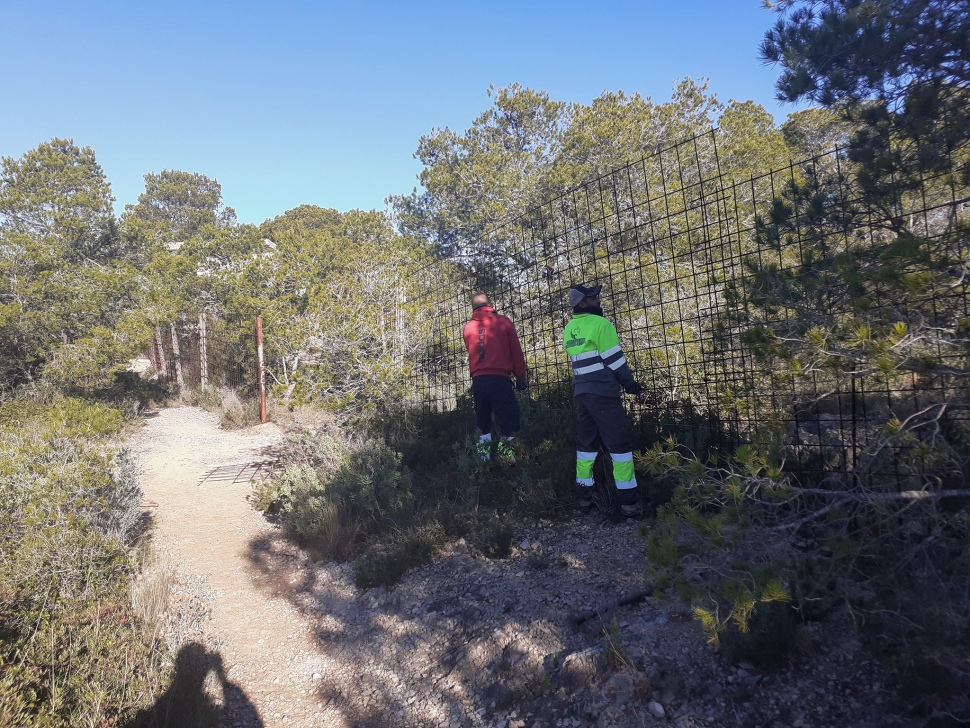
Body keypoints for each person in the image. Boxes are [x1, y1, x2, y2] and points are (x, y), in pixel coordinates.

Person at [563, 283, 643, 517]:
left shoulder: (569, 329)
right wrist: (629, 383)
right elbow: (615, 360)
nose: (599, 300)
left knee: (587, 446)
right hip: (603, 393)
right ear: (583, 303)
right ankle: (629, 503)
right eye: (594, 297)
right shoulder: (601, 325)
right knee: (619, 447)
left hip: (582, 393)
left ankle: (584, 498)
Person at [462, 293, 528, 463]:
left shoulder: (468, 328)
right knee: (507, 420)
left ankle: (484, 462)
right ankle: (508, 462)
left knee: (483, 423)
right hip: (499, 380)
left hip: (478, 382)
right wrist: (520, 376)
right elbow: (516, 352)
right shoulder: (503, 322)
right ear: (490, 304)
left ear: (473, 308)